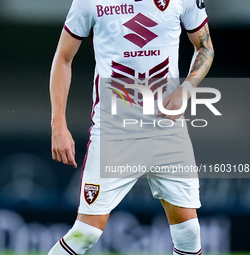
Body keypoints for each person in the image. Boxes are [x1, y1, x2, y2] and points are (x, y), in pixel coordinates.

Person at [49, 0, 214, 254]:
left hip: (167, 127)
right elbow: (63, 57)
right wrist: (58, 122)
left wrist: (187, 89)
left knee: (189, 232)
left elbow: (205, 47)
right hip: (115, 132)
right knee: (86, 234)